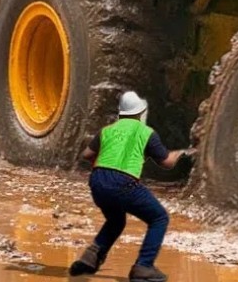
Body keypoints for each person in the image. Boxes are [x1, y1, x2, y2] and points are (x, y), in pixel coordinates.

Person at [70, 91, 193, 282]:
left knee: (116, 221)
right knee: (159, 217)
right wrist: (182, 153)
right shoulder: (146, 133)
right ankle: (144, 266)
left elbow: (86, 155)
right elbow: (167, 162)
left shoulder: (107, 130)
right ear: (141, 112)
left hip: (98, 181)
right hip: (123, 182)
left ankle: (90, 256)